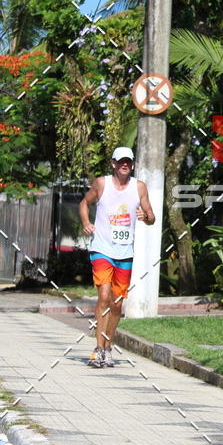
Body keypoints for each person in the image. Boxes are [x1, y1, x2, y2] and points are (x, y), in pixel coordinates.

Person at [79, 147, 155, 368]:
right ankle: (97, 347)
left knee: (117, 303)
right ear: (113, 163)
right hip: (102, 249)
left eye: (128, 162)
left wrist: (146, 216)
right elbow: (84, 203)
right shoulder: (102, 183)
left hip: (125, 253)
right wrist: (86, 223)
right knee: (104, 295)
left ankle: (108, 347)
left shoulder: (138, 187)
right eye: (121, 161)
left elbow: (151, 216)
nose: (125, 165)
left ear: (132, 164)